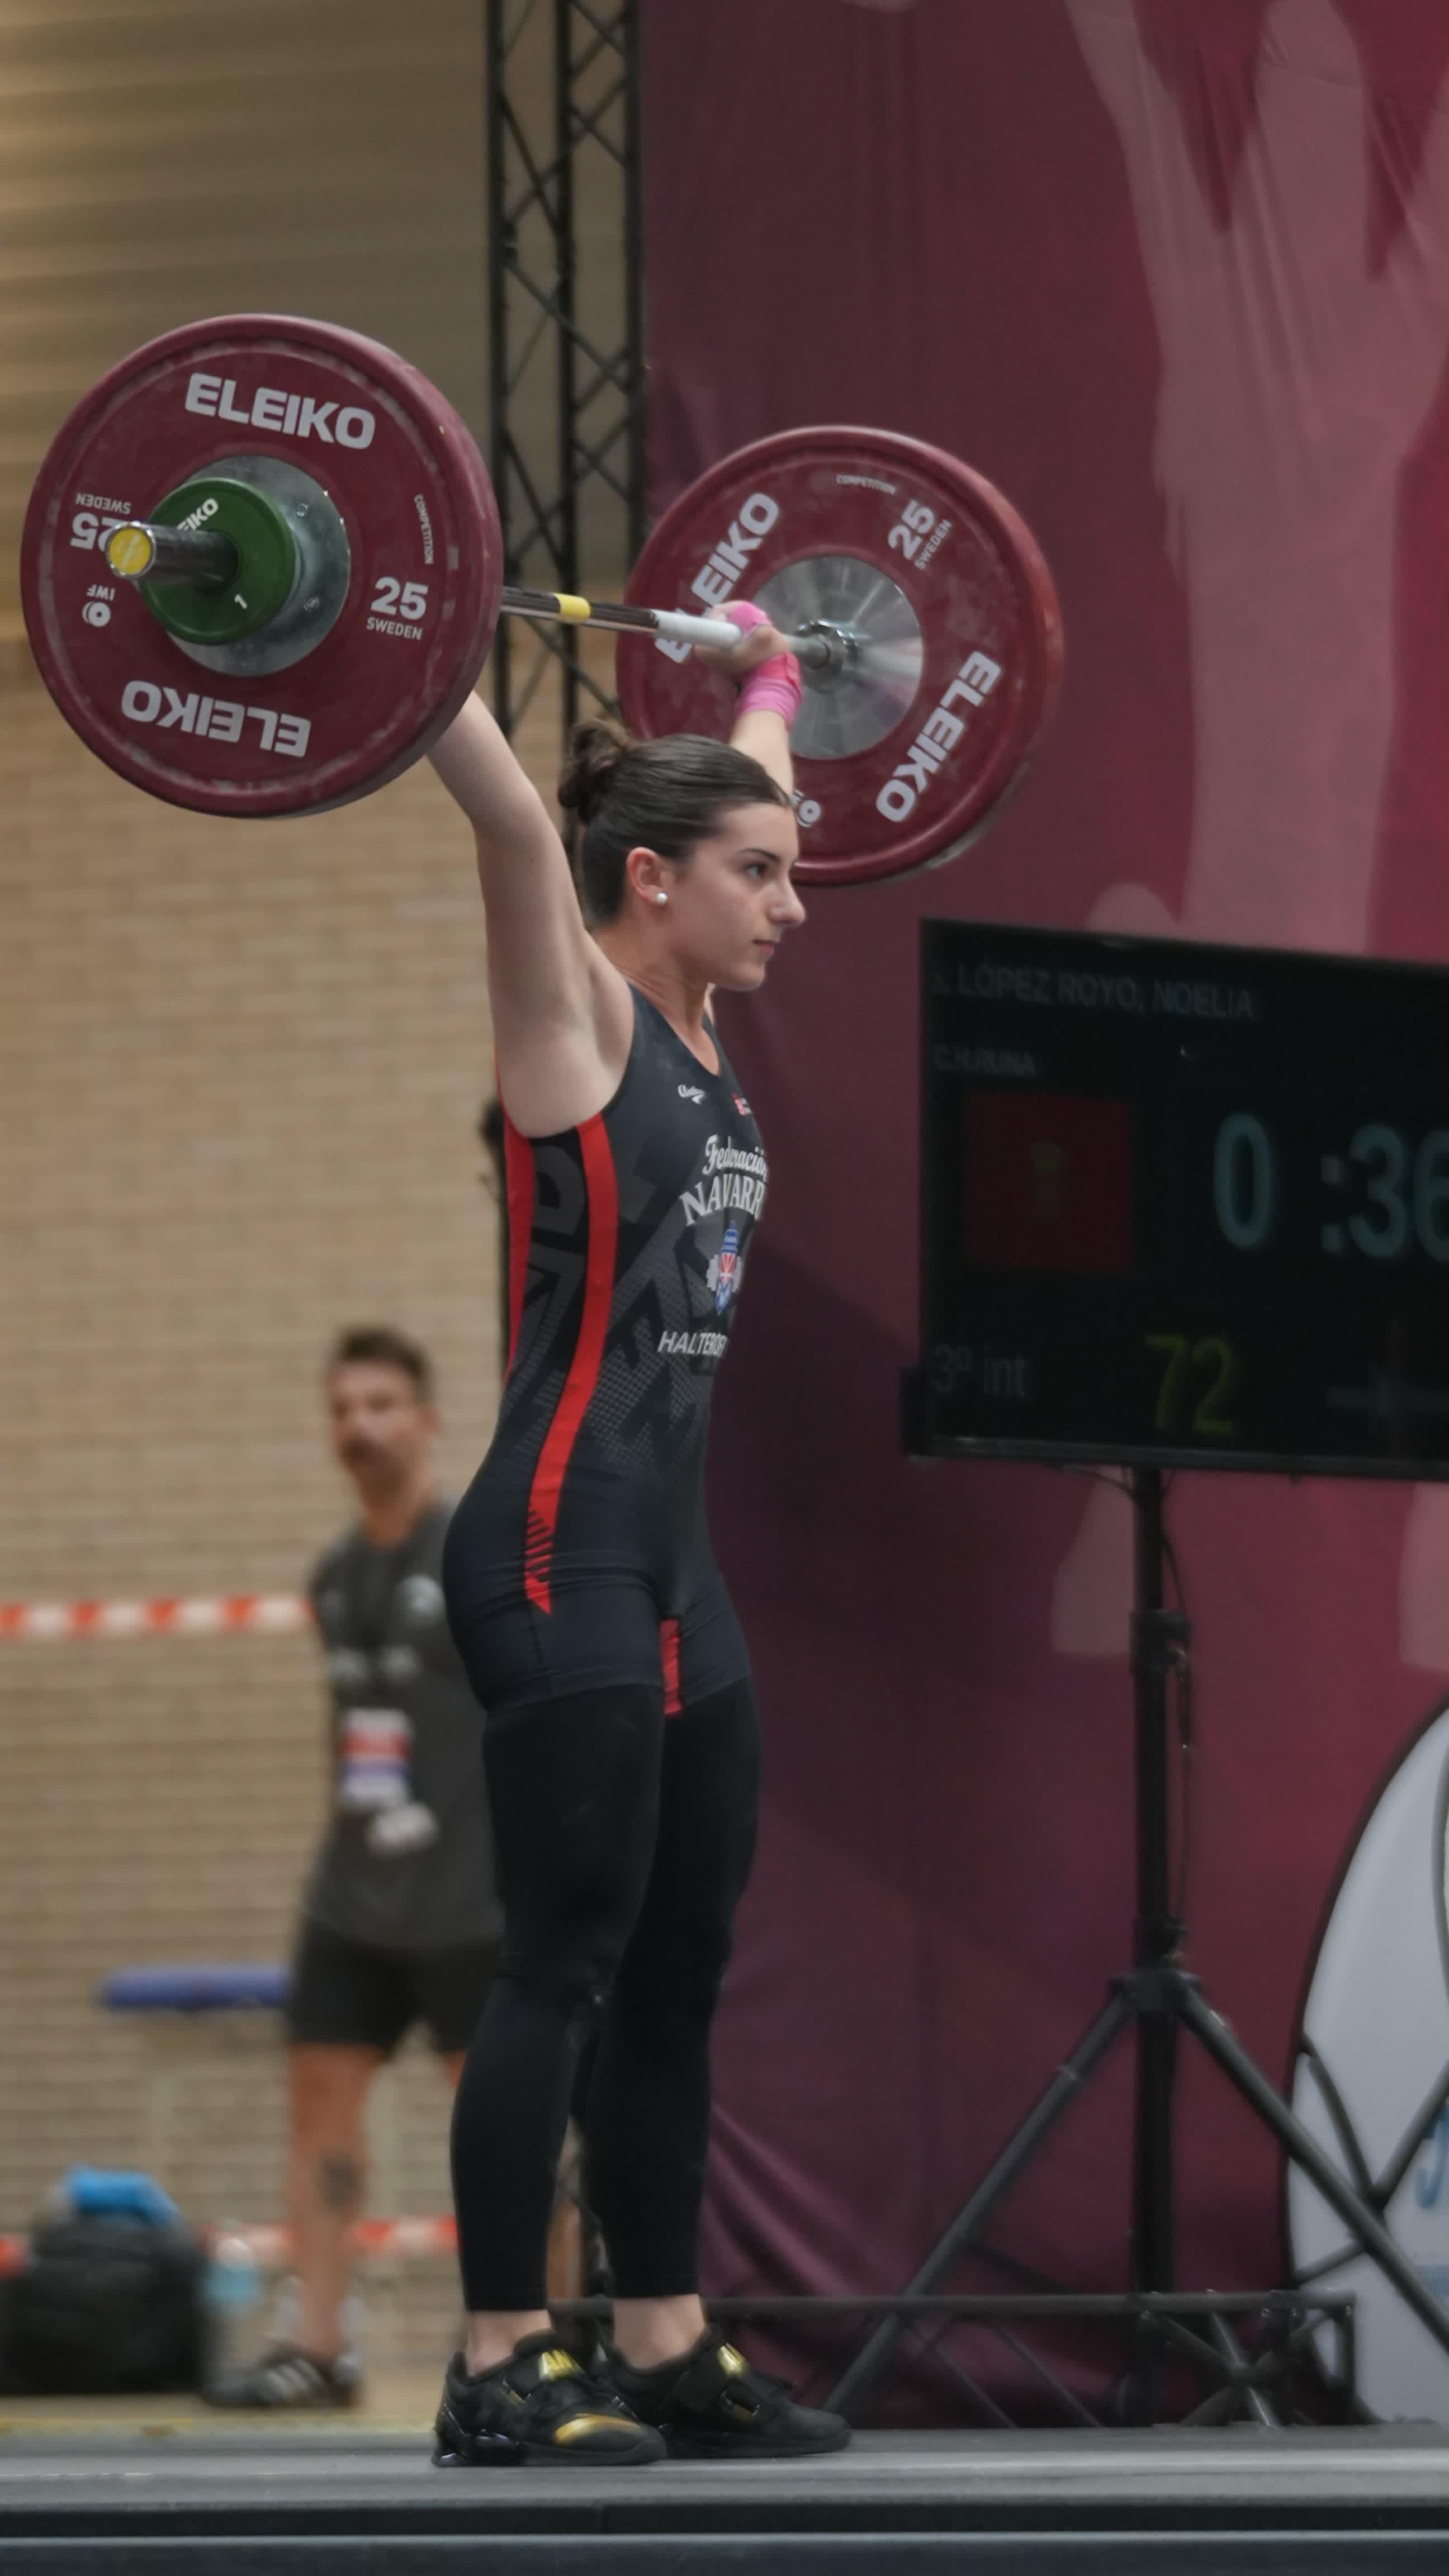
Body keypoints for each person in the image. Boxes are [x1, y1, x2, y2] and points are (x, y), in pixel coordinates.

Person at [425, 605, 851, 2466]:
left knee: (681, 1956)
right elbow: (519, 823)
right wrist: (400, 622)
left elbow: (755, 789)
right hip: (552, 1543)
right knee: (565, 1952)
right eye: (759, 876)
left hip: (676, 1569)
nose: (794, 902)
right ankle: (501, 2353)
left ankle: (665, 2335)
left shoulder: (687, 1007)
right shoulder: (579, 1018)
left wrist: (771, 663)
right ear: (653, 879)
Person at [209, 1325, 503, 2409]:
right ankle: (319, 2345)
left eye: (382, 1405)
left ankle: (525, 2342)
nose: (360, 1427)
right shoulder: (334, 1574)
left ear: (426, 1420)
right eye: (343, 1410)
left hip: (473, 1897)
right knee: (319, 2108)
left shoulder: (472, 1555)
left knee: (502, 2124)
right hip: (351, 1899)